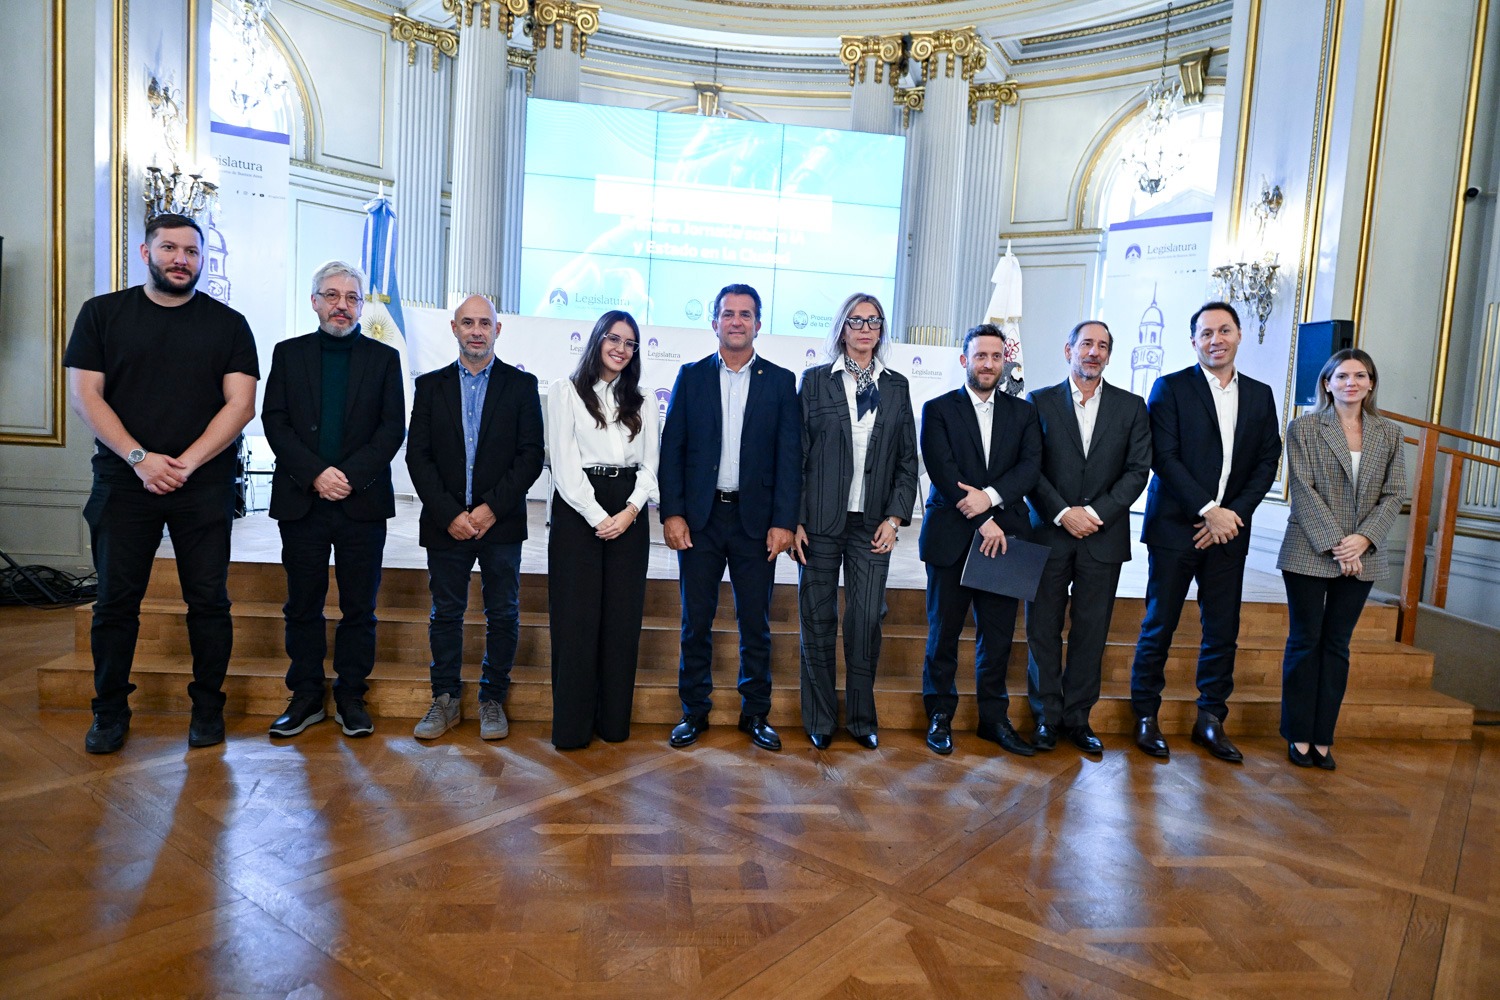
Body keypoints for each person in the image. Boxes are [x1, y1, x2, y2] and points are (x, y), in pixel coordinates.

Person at [64, 212, 259, 753]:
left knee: (209, 602)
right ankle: (108, 713)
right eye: (169, 248)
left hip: (203, 484)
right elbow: (85, 396)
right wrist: (140, 458)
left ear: (201, 261)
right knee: (115, 604)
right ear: (145, 252)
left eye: (191, 252)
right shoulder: (102, 314)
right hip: (124, 482)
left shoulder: (229, 324)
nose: (181, 259)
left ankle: (207, 710)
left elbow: (240, 405)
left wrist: (185, 464)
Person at [1129, 301, 1282, 762]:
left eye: (1225, 330)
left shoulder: (1260, 394)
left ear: (1239, 336)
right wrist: (1208, 510)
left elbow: (1266, 461)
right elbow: (1165, 457)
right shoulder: (1170, 388)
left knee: (1222, 629)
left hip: (1230, 532)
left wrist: (1230, 515)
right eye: (1206, 333)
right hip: (1177, 528)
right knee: (1160, 624)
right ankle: (1145, 716)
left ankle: (1211, 719)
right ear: (1193, 340)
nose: (1216, 339)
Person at [261, 261, 405, 739]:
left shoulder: (384, 360)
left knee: (359, 607)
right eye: (333, 295)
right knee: (302, 604)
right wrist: (316, 474)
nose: (342, 305)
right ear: (315, 301)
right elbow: (275, 421)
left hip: (360, 504)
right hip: (303, 501)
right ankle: (305, 695)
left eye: (352, 297)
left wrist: (347, 476)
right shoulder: (288, 353)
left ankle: (350, 694)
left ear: (361, 306)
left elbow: (392, 429)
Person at [658, 283, 801, 751]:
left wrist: (783, 521)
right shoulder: (691, 376)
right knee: (694, 622)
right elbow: (672, 451)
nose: (736, 321)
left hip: (756, 523)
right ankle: (694, 711)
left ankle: (755, 713)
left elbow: (789, 458)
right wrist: (673, 513)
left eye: (745, 314)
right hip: (700, 520)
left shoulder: (780, 382)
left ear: (759, 324)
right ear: (714, 322)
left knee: (755, 623)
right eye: (728, 313)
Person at [406, 295, 543, 742]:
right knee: (446, 612)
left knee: (502, 613)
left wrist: (488, 509)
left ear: (498, 330)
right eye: (468, 322)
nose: (477, 330)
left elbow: (529, 458)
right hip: (447, 524)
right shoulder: (430, 386)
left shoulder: (521, 387)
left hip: (499, 523)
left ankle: (491, 699)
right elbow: (418, 457)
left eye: (485, 322)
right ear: (454, 328)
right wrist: (450, 513)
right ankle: (444, 699)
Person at [791, 293, 918, 750]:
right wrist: (796, 519)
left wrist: (896, 516)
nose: (865, 329)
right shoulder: (814, 383)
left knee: (865, 620)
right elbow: (797, 457)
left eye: (874, 321)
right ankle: (821, 719)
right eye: (856, 320)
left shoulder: (897, 387)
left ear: (881, 330)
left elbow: (908, 460)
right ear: (842, 328)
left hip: (872, 524)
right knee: (817, 618)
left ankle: (862, 719)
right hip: (820, 524)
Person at [1024, 320, 1151, 754]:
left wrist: (1094, 513)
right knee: (1042, 627)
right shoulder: (1037, 402)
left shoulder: (1132, 407)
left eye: (1102, 346)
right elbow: (1029, 468)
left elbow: (1138, 471)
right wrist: (1062, 512)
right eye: (1086, 345)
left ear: (1109, 356)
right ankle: (1045, 717)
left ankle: (1078, 719)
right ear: (1068, 350)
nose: (1093, 352)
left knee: (1091, 631)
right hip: (1047, 532)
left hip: (1104, 534)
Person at [918, 323, 1042, 757]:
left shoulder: (1024, 413)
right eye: (980, 356)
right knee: (943, 634)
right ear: (964, 360)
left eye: (995, 356)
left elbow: (1030, 467)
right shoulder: (937, 409)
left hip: (1004, 538)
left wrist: (988, 505)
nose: (988, 363)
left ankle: (994, 720)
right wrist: (978, 517)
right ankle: (939, 716)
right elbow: (941, 466)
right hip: (952, 534)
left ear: (1004, 361)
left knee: (998, 637)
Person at [1278, 349, 1405, 770]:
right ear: (1327, 383)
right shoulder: (1304, 428)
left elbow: (1394, 494)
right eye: (1342, 375)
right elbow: (1303, 487)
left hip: (1364, 554)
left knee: (1337, 645)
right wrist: (1339, 543)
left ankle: (1322, 737)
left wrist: (1363, 540)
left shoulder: (1389, 433)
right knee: (1305, 641)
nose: (1351, 382)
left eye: (1361, 375)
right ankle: (1298, 733)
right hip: (1309, 551)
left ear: (1371, 383)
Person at [546, 310, 659, 749]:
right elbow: (564, 464)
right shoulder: (566, 392)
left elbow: (652, 464)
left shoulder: (644, 399)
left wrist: (631, 511)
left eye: (629, 343)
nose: (620, 348)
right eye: (613, 338)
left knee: (621, 622)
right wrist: (598, 517)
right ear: (596, 340)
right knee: (576, 622)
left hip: (628, 510)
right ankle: (572, 729)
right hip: (580, 511)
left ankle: (613, 723)